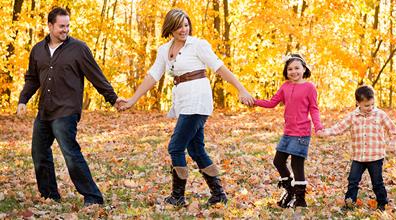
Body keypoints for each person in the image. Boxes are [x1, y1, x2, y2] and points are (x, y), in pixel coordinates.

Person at [119, 9, 254, 206]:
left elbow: (220, 68)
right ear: (170, 28)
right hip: (183, 101)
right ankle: (218, 195)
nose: (183, 29)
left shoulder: (197, 45)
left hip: (198, 99)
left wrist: (241, 89)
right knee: (196, 149)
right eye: (178, 26)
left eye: (185, 24)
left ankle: (178, 196)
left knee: (175, 147)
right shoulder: (164, 50)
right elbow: (152, 76)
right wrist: (132, 100)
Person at [16, 7, 124, 206]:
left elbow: (96, 76)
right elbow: (32, 79)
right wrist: (23, 100)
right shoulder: (38, 50)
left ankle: (93, 197)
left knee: (71, 154)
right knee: (39, 153)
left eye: (67, 26)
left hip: (66, 111)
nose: (65, 30)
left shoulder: (78, 49)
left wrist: (113, 99)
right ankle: (50, 195)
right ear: (50, 26)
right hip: (44, 111)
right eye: (61, 26)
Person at [253, 54, 323, 208]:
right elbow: (272, 103)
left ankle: (300, 200)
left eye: (297, 68)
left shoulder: (309, 87)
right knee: (278, 161)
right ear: (286, 71)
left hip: (302, 132)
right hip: (288, 132)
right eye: (290, 69)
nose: (293, 71)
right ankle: (289, 190)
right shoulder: (285, 86)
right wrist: (254, 101)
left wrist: (318, 127)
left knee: (297, 165)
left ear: (304, 69)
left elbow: (314, 109)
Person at [317, 85, 396, 211]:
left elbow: (392, 129)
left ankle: (383, 203)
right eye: (366, 105)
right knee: (352, 181)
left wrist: (392, 142)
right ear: (358, 103)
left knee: (377, 182)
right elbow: (340, 127)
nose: (370, 108)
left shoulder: (380, 115)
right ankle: (349, 203)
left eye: (372, 104)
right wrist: (327, 132)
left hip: (375, 156)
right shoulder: (353, 117)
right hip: (358, 157)